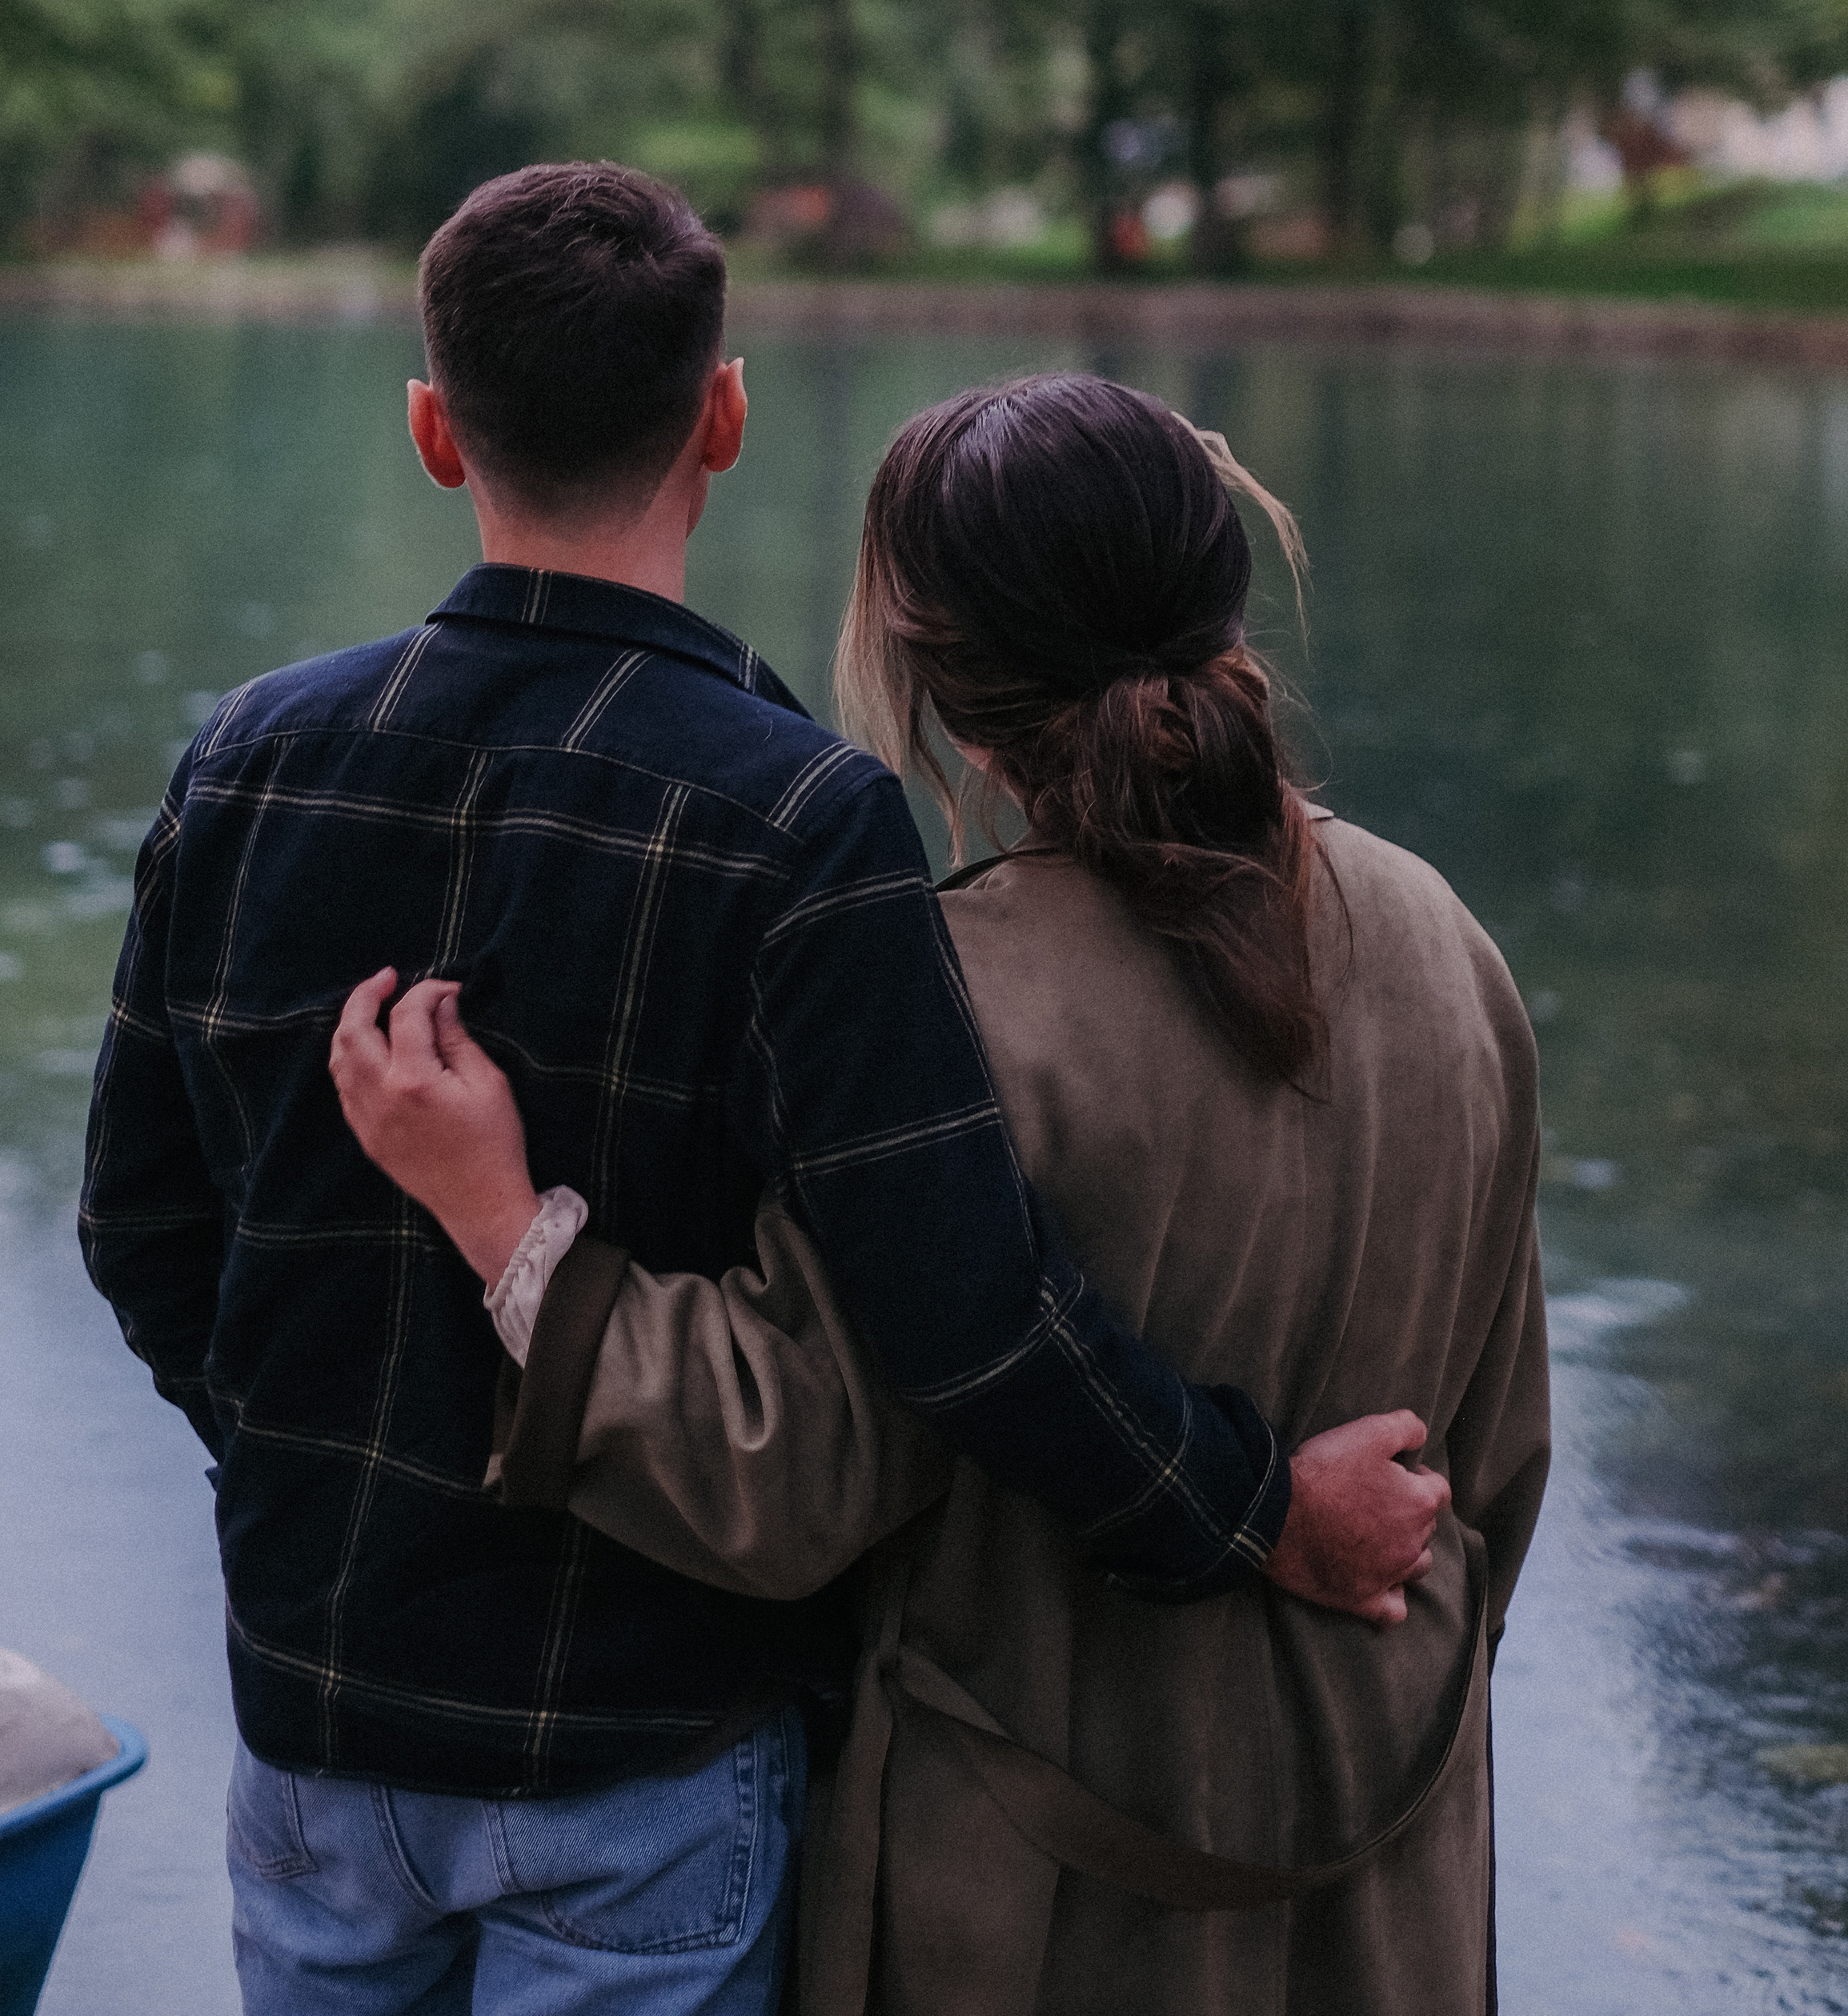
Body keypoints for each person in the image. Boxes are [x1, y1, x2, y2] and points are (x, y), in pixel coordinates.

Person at [82, 165, 1443, 2016]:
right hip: (642, 1751)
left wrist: (316, 1464)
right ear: (722, 413)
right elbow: (966, 1320)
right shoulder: (800, 824)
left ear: (430, 432)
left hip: (323, 1724)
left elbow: (141, 1231)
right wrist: (1248, 1511)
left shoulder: (245, 765)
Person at [334, 372, 1549, 2016]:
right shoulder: (1443, 935)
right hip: (1377, 1870)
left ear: (937, 690)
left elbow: (787, 1477)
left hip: (1045, 1908)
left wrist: (503, 1226)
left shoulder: (935, 1006)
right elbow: (1495, 1466)